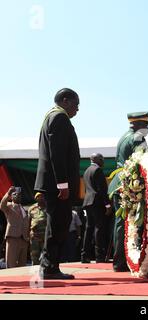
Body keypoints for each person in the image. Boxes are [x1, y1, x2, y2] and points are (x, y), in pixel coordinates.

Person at [34, 88, 81, 280]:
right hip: (57, 185)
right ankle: (49, 267)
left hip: (55, 184)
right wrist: (63, 185)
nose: (77, 110)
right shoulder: (59, 118)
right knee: (58, 225)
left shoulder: (52, 118)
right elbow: (58, 155)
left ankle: (50, 266)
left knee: (59, 224)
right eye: (76, 105)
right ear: (65, 100)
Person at [109, 112, 148, 272]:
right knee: (130, 224)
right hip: (129, 184)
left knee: (120, 224)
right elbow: (144, 162)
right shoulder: (137, 138)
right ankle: (123, 261)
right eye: (146, 126)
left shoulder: (123, 137)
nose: (147, 129)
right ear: (139, 124)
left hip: (118, 183)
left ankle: (118, 260)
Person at [81, 153, 112, 263]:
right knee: (99, 228)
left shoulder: (86, 171)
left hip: (87, 202)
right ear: (97, 159)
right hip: (97, 203)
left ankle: (84, 256)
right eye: (102, 159)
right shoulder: (97, 170)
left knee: (88, 229)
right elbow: (102, 190)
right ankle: (99, 256)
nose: (103, 161)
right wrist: (107, 205)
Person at [0, 187, 30, 268]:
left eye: (19, 194)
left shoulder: (24, 209)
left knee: (22, 265)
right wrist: (8, 193)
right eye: (15, 194)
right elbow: (2, 205)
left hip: (24, 239)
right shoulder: (9, 206)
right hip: (13, 238)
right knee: (11, 263)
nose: (17, 195)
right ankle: (11, 280)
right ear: (11, 197)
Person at [28, 192, 47, 265]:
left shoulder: (48, 207)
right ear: (36, 198)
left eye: (42, 196)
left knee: (46, 254)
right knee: (34, 254)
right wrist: (28, 234)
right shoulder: (31, 208)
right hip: (34, 235)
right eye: (38, 196)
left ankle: (45, 269)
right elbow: (28, 222)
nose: (41, 198)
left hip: (45, 235)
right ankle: (35, 269)